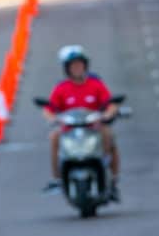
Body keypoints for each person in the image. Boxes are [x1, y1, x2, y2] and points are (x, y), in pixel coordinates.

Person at [41, 45, 120, 200]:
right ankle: (57, 178)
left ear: (85, 65)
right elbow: (48, 108)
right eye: (73, 66)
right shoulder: (61, 88)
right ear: (67, 69)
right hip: (70, 129)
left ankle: (112, 174)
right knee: (54, 137)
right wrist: (52, 118)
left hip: (93, 128)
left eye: (79, 65)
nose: (77, 68)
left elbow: (110, 103)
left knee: (109, 135)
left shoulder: (96, 84)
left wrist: (106, 115)